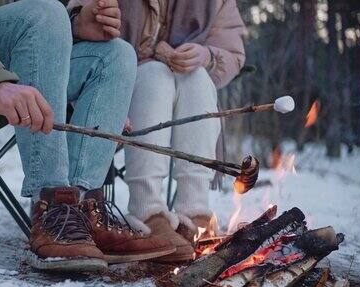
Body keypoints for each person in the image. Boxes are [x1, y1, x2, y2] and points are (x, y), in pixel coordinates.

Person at [0, 0, 176, 272]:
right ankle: (54, 208)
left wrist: (76, 25)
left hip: (15, 74)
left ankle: (82, 211)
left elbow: (40, 39)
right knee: (46, 13)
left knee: (116, 54)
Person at [69, 0, 247, 262]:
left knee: (196, 77)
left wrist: (207, 55)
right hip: (114, 89)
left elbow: (231, 50)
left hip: (182, 97)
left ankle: (195, 212)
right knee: (155, 75)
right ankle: (147, 210)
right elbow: (77, 26)